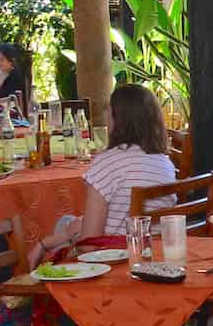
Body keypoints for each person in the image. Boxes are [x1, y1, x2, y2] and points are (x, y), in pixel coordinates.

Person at [29, 84, 176, 265]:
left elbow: (88, 246)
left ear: (117, 118)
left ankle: (45, 286)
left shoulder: (108, 162)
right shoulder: (165, 163)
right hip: (156, 252)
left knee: (64, 225)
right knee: (70, 223)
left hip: (115, 258)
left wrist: (49, 241)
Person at [0, 44, 28, 112]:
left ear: (11, 60)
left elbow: (14, 99)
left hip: (10, 113)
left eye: (1, 60)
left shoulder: (16, 76)